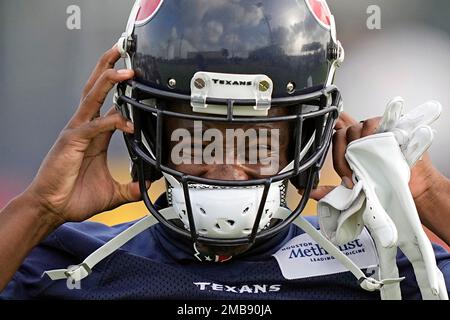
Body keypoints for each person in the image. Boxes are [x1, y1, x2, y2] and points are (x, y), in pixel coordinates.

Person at [0, 0, 449, 300]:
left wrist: (425, 193)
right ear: (148, 133)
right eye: (198, 134)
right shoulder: (67, 262)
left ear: (308, 135)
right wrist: (40, 208)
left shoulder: (376, 263)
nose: (228, 168)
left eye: (258, 140)